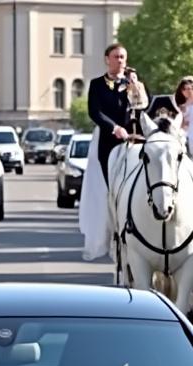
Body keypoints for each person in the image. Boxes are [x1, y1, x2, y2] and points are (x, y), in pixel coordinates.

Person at [80, 42, 136, 262]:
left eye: (123, 57)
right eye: (116, 57)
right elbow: (95, 112)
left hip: (132, 140)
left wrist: (136, 88)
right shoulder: (97, 84)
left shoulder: (132, 84)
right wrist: (114, 128)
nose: (120, 60)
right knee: (110, 187)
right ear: (107, 59)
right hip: (108, 141)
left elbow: (143, 107)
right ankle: (112, 228)